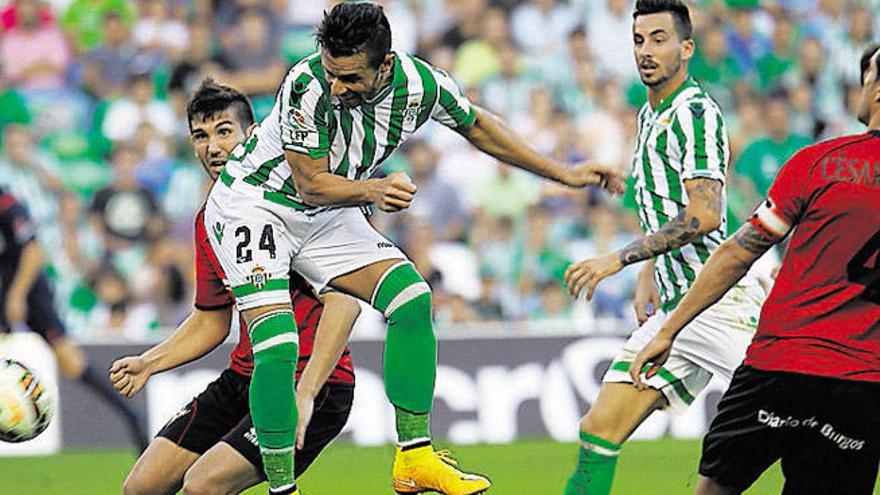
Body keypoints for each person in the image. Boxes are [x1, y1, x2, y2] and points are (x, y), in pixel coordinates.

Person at [202, 3, 624, 494]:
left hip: (326, 207)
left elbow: (479, 125)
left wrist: (563, 173)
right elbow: (311, 183)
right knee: (278, 347)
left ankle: (414, 457)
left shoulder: (422, 86)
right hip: (255, 204)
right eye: (332, 73)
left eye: (351, 77)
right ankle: (282, 489)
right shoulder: (306, 84)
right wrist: (373, 190)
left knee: (411, 298)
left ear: (385, 64)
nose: (338, 86)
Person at [629, 44, 880, 495]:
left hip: (779, 366)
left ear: (878, 92)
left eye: (866, 78)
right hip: (862, 387)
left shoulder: (819, 163)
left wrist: (669, 330)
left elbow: (737, 253)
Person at [110, 80, 360, 495]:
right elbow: (212, 320)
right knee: (141, 487)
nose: (212, 147)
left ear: (252, 133)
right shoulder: (209, 220)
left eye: (224, 131)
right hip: (244, 378)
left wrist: (306, 393)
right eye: (201, 136)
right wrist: (150, 363)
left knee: (201, 487)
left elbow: (344, 305)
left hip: (311, 382)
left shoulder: (293, 204)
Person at [561, 1, 764, 493]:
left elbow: (704, 214)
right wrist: (649, 272)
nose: (646, 51)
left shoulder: (696, 114)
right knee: (598, 429)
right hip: (674, 310)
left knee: (812, 418)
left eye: (659, 39)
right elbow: (664, 202)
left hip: (721, 303)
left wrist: (618, 259)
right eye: (638, 40)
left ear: (686, 48)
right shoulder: (649, 114)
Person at [0, 186, 148, 451]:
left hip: (27, 286)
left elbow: (33, 251)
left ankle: (131, 416)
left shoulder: (6, 202)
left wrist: (17, 296)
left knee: (71, 363)